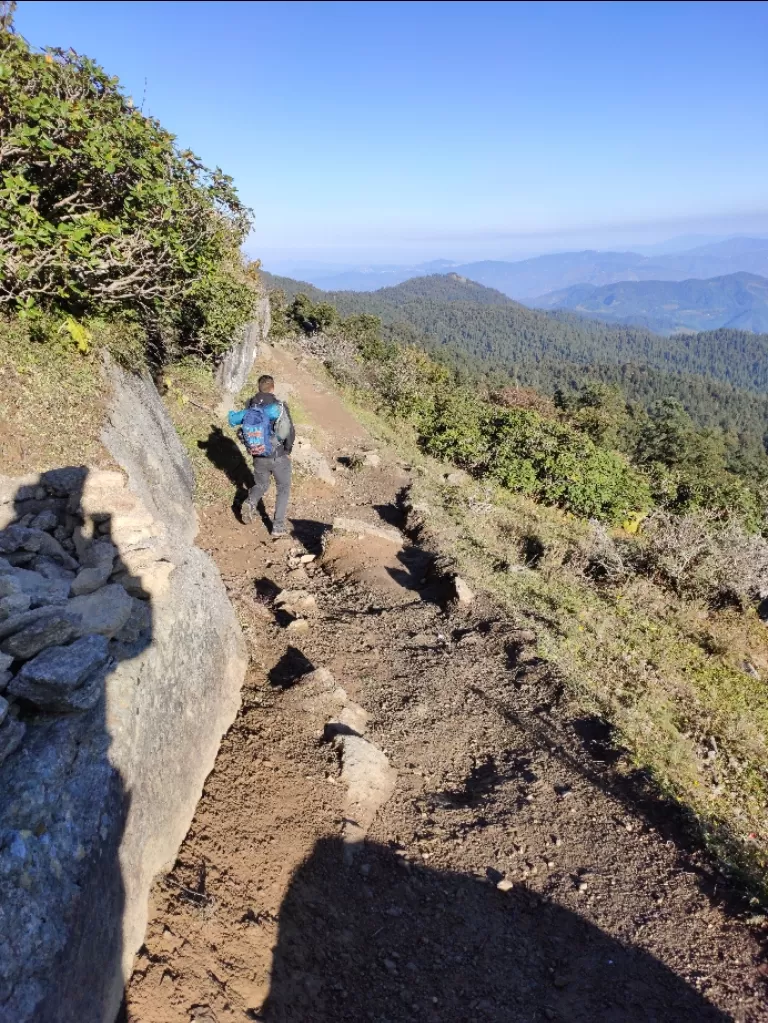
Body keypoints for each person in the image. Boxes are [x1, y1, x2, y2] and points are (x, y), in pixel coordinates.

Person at [228, 375, 295, 537]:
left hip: (258, 455)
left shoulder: (250, 405)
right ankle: (277, 527)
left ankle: (250, 502)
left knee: (261, 484)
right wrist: (287, 450)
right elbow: (290, 431)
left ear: (259, 388)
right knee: (283, 489)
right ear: (272, 387)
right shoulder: (279, 406)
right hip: (278, 455)